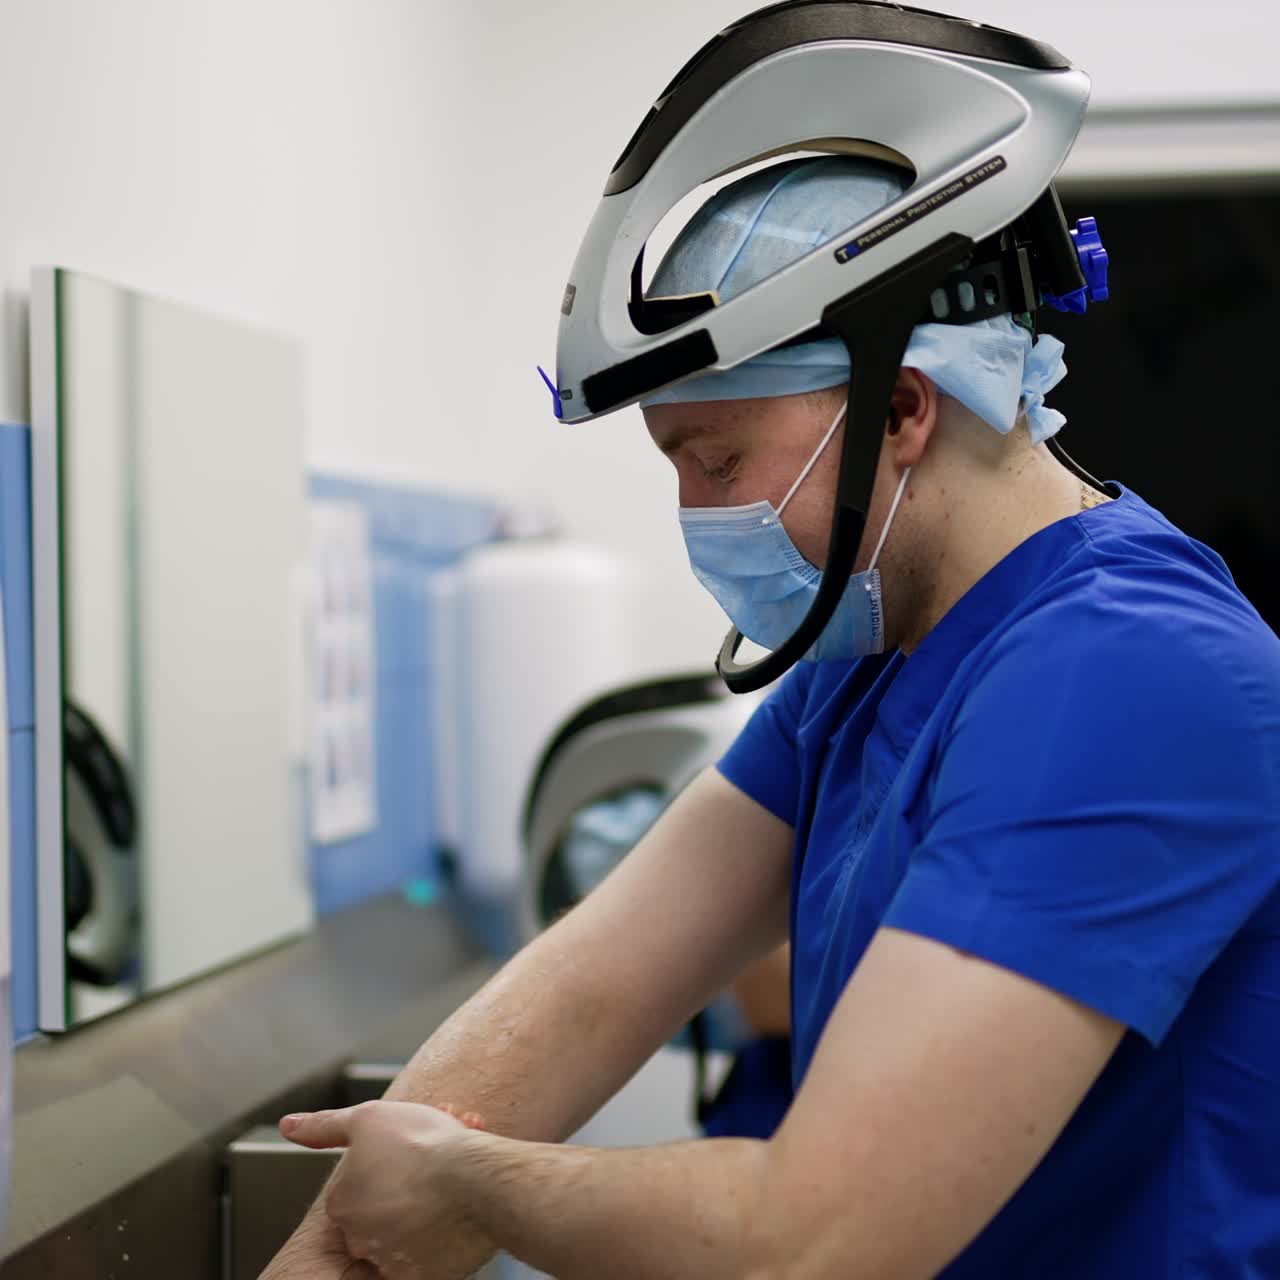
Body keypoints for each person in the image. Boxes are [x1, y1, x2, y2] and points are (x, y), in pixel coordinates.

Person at [263, 13, 1280, 1280]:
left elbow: (815, 1235)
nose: (699, 513)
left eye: (718, 458)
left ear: (902, 406)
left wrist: (464, 1177)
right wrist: (338, 1250)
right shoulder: (867, 665)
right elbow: (593, 986)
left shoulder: (1127, 673)